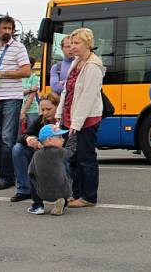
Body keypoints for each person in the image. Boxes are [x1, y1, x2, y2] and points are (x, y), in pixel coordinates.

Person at [57, 27, 105, 208]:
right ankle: (76, 193)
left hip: (86, 120)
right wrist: (59, 113)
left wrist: (76, 123)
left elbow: (87, 97)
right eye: (71, 44)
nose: (72, 47)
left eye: (77, 43)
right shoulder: (77, 62)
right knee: (73, 158)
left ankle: (89, 196)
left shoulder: (93, 65)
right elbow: (67, 90)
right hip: (71, 118)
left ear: (88, 44)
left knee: (86, 158)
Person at [0, 15, 31, 191]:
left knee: (7, 139)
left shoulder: (19, 47)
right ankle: (4, 176)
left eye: (10, 29)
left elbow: (26, 71)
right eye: (4, 28)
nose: (7, 32)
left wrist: (1, 73)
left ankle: (8, 177)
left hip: (12, 97)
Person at [11, 93, 60, 203]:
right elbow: (22, 136)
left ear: (58, 107)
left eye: (49, 109)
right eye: (42, 110)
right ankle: (24, 190)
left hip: (60, 156)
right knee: (18, 148)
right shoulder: (41, 119)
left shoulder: (64, 121)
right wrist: (29, 139)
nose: (45, 113)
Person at [27, 124, 77, 216]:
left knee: (33, 181)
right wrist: (73, 137)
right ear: (49, 140)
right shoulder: (60, 152)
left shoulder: (37, 155)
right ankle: (63, 201)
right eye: (59, 137)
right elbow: (71, 150)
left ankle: (38, 206)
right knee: (66, 171)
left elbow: (30, 172)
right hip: (61, 191)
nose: (63, 139)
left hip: (43, 192)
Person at [20, 57, 40, 130]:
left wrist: (23, 112)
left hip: (32, 110)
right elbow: (17, 92)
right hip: (18, 108)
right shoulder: (19, 77)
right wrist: (30, 89)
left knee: (32, 133)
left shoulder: (34, 78)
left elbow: (31, 98)